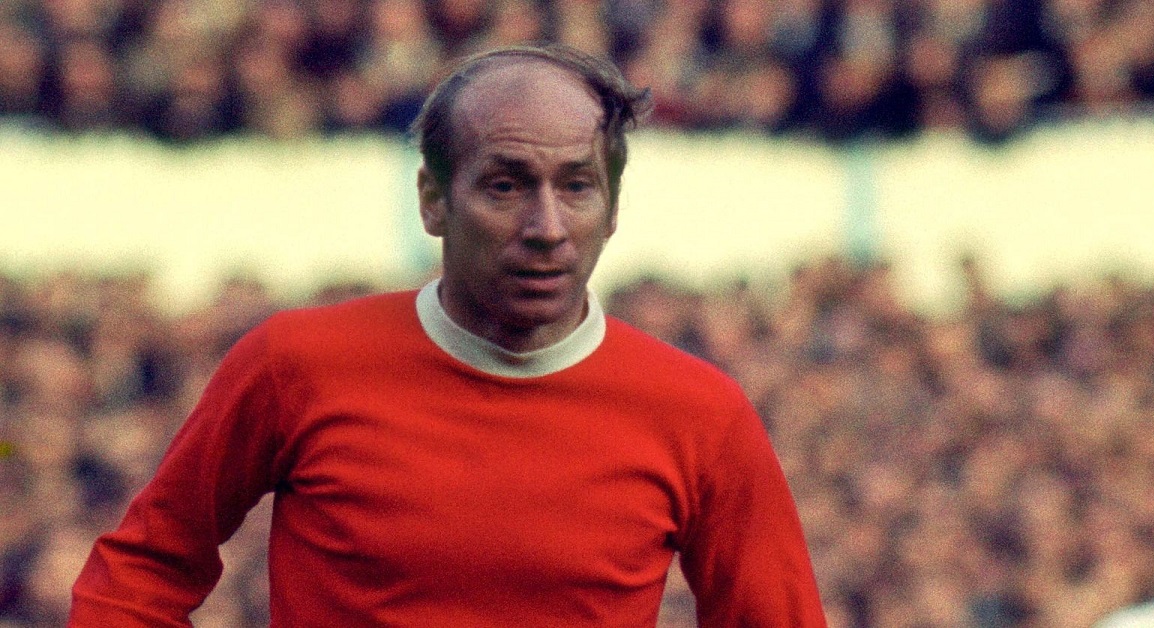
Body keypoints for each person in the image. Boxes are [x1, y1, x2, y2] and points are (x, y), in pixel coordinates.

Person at [69, 43, 827, 626]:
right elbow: (137, 577)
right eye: (506, 185)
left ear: (614, 208)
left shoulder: (701, 414)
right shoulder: (296, 365)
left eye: (577, 186)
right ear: (433, 200)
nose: (547, 227)